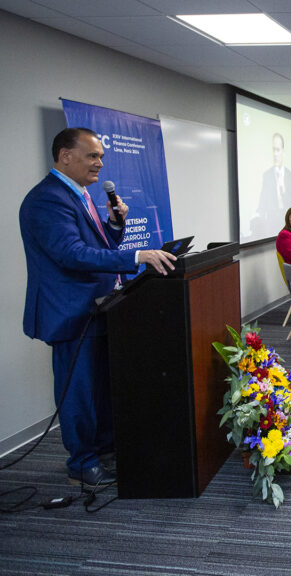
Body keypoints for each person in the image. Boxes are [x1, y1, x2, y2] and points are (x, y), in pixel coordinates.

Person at [20, 128, 177, 488]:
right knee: (79, 391)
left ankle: (106, 449)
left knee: (104, 386)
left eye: (101, 156)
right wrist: (137, 255)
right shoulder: (47, 199)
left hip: (101, 308)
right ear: (64, 156)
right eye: (92, 156)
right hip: (70, 313)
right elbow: (71, 253)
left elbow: (99, 246)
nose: (100, 163)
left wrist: (114, 225)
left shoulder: (82, 195)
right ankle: (82, 461)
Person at [256, 133, 291, 233]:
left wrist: (284, 192)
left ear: (283, 151)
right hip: (271, 223)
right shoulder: (267, 175)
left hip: (287, 222)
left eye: (278, 150)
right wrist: (258, 215)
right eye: (273, 150)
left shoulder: (290, 176)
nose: (275, 154)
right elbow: (263, 201)